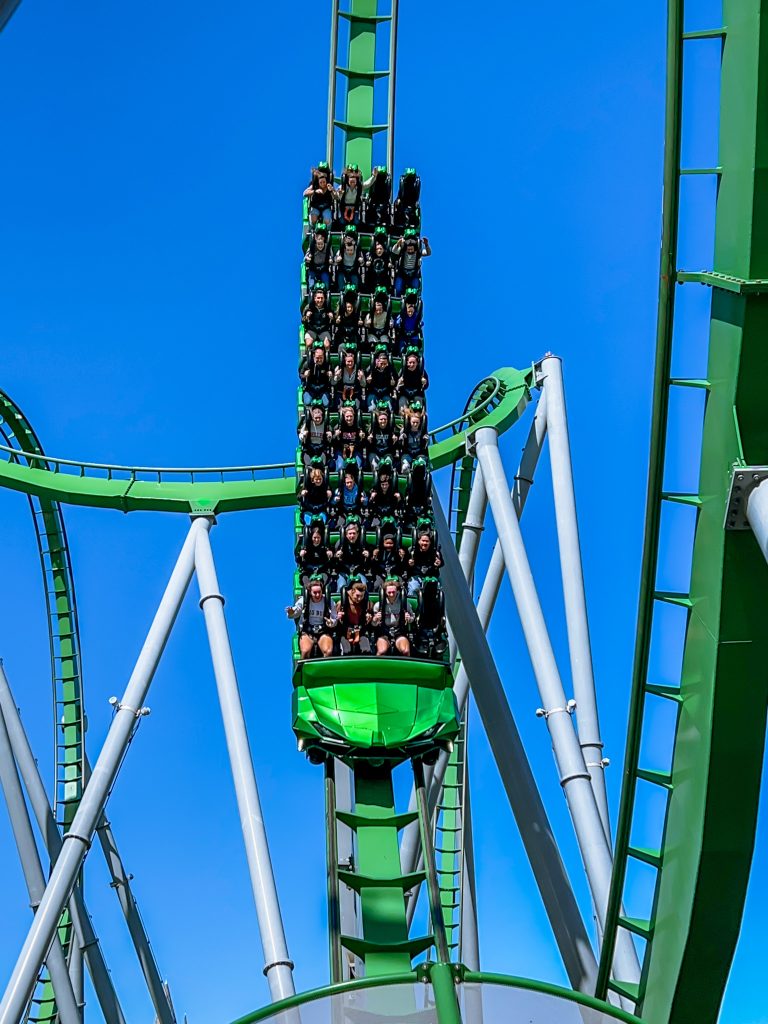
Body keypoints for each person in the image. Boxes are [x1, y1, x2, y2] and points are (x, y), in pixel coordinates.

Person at [286, 577, 337, 658]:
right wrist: (291, 612)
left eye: (319, 592)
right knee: (305, 651)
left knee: (328, 651)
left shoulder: (328, 601)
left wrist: (331, 622)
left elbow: (334, 619)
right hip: (307, 632)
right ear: (310, 592)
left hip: (323, 631)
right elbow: (296, 611)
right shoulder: (304, 600)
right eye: (315, 593)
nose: (317, 595)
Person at [372, 576, 413, 656]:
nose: (391, 594)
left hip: (399, 632)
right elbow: (373, 624)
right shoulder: (378, 605)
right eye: (389, 592)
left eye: (393, 592)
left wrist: (409, 618)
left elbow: (412, 619)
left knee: (405, 651)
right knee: (381, 651)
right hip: (384, 633)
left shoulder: (404, 604)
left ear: (397, 591)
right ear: (385, 592)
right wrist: (375, 619)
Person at [412, 576, 448, 660]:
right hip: (421, 628)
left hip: (435, 628)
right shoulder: (419, 597)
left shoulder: (438, 599)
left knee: (442, 641)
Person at [335, 575, 372, 654]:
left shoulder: (367, 603)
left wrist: (369, 618)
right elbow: (335, 622)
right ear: (351, 592)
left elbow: (370, 621)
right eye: (357, 596)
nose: (359, 599)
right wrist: (338, 618)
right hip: (345, 632)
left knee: (366, 650)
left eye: (361, 596)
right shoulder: (341, 604)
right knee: (347, 651)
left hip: (360, 631)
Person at [333, 517, 369, 591]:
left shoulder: (363, 544)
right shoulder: (340, 544)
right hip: (344, 571)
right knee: (341, 587)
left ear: (358, 534)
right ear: (346, 535)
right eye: (350, 534)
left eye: (354, 533)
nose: (352, 536)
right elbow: (333, 563)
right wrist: (336, 556)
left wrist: (368, 556)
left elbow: (369, 563)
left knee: (364, 586)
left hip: (358, 570)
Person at [392, 231, 431, 295]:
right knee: (398, 289)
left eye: (411, 249)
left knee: (415, 288)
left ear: (414, 249)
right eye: (408, 249)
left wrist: (426, 245)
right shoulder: (402, 251)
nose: (410, 251)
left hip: (413, 275)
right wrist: (397, 244)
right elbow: (394, 251)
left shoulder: (418, 252)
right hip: (402, 274)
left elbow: (428, 253)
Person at [407, 528, 444, 596]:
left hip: (431, 576)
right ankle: (411, 605)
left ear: (430, 542)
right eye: (423, 541)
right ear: (418, 541)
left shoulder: (435, 552)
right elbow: (404, 565)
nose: (425, 543)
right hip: (416, 576)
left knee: (438, 587)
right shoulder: (412, 551)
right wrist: (409, 564)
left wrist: (438, 564)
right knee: (413, 588)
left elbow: (441, 564)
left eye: (427, 541)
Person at [333, 402, 366, 472]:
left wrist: (362, 438)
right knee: (340, 467)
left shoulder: (359, 427)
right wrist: (335, 436)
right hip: (341, 450)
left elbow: (364, 445)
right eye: (347, 416)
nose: (349, 418)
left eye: (351, 416)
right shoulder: (338, 427)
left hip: (355, 450)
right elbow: (333, 444)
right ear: (344, 417)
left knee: (358, 466)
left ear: (354, 416)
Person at [367, 406, 400, 472]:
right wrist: (368, 440)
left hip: (387, 453)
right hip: (375, 452)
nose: (383, 421)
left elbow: (396, 446)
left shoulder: (391, 430)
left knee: (388, 463)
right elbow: (367, 446)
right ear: (377, 420)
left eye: (385, 419)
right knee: (374, 464)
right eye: (381, 419)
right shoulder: (373, 430)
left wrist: (395, 441)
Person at [365, 346, 397, 414]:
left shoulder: (390, 370)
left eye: (385, 364)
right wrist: (367, 381)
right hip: (373, 392)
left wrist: (393, 384)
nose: (383, 366)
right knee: (371, 403)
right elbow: (365, 382)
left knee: (388, 403)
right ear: (377, 361)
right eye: (381, 363)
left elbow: (395, 381)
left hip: (385, 393)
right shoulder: (371, 369)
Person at [396, 347, 429, 412]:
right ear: (407, 362)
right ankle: (404, 416)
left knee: (418, 401)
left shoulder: (421, 372)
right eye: (410, 362)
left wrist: (424, 383)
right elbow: (396, 386)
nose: (412, 365)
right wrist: (399, 384)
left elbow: (426, 386)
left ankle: (417, 416)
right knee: (402, 401)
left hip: (417, 393)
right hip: (404, 393)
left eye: (414, 363)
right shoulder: (403, 372)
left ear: (417, 363)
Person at [300, 342, 332, 406]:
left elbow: (333, 375)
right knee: (307, 402)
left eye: (321, 357)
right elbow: (301, 375)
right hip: (310, 388)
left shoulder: (327, 365)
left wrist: (331, 374)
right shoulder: (308, 364)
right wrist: (305, 375)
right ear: (314, 356)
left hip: (323, 389)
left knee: (326, 403)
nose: (319, 360)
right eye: (317, 358)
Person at [304, 223, 333, 290]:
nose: (320, 246)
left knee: (326, 281)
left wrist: (331, 260)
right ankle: (312, 290)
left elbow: (332, 257)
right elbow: (306, 257)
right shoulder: (312, 247)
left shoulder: (327, 247)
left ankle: (325, 291)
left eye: (321, 244)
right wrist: (307, 258)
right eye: (318, 244)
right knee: (311, 281)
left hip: (323, 268)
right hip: (313, 268)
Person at [335, 226, 363, 293]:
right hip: (343, 270)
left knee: (355, 280)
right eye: (348, 250)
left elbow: (362, 262)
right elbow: (335, 260)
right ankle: (341, 292)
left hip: (353, 270)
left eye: (351, 250)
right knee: (340, 278)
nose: (349, 252)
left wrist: (361, 260)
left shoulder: (358, 250)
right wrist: (337, 259)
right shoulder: (341, 250)